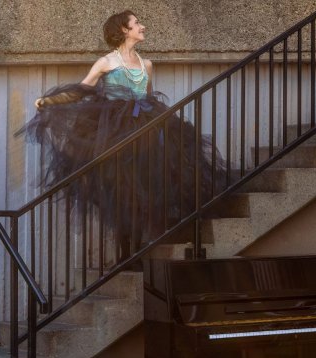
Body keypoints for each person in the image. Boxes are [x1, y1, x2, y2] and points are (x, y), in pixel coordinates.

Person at [18, 10, 222, 261]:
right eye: (137, 23)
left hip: (147, 128)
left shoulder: (147, 64)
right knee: (123, 189)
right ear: (124, 30)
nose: (143, 26)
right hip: (116, 130)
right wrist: (48, 100)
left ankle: (137, 248)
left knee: (146, 185)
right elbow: (81, 90)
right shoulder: (106, 62)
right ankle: (125, 253)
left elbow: (147, 96)